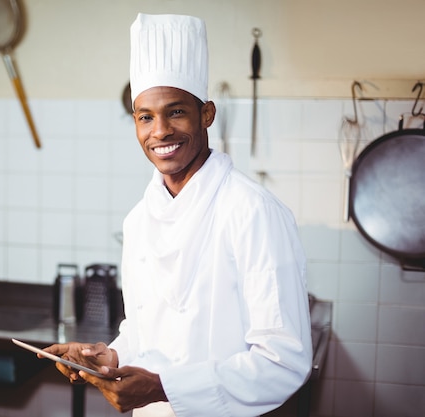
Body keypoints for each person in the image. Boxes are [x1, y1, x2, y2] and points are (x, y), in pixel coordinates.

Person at [42, 13, 312, 417]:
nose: (161, 131)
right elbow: (146, 328)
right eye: (145, 116)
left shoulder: (253, 212)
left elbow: (284, 361)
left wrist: (163, 386)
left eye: (177, 112)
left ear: (207, 114)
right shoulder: (139, 220)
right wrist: (109, 356)